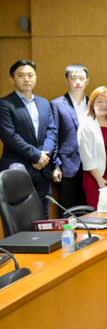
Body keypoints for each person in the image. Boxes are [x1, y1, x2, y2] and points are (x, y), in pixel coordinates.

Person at [0, 60, 57, 214]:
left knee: (42, 218)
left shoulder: (44, 103)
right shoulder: (4, 104)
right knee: (18, 219)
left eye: (30, 75)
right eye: (21, 75)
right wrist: (36, 155)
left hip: (42, 169)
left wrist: (44, 156)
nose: (26, 79)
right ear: (12, 79)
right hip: (16, 169)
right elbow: (9, 135)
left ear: (35, 78)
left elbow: (52, 131)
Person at [77, 87, 107, 208]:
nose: (104, 105)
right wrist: (100, 180)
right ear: (92, 104)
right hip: (95, 177)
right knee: (98, 212)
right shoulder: (86, 125)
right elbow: (87, 157)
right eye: (99, 101)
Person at [50, 64, 90, 208]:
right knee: (68, 209)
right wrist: (55, 165)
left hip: (90, 165)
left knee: (89, 208)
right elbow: (53, 137)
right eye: (73, 78)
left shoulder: (94, 104)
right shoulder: (56, 104)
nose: (77, 82)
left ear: (87, 81)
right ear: (66, 81)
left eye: (81, 78)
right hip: (67, 165)